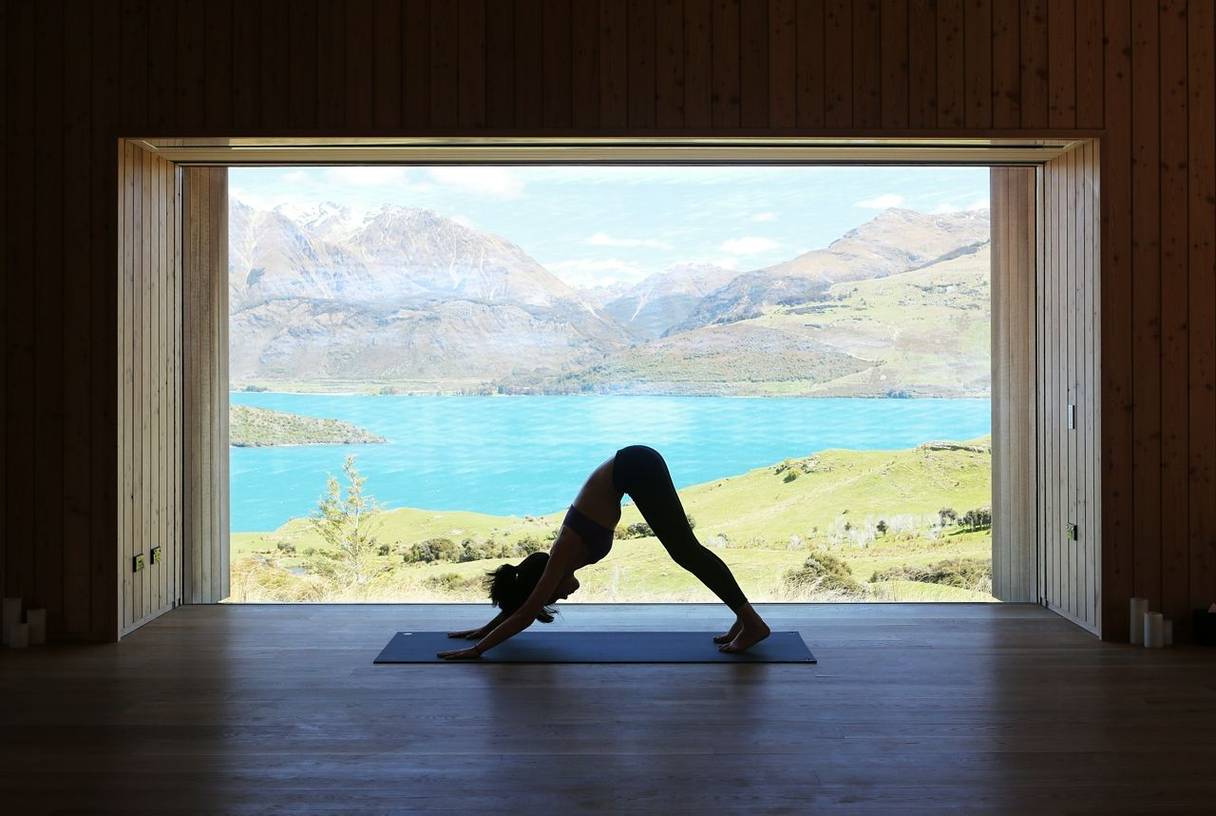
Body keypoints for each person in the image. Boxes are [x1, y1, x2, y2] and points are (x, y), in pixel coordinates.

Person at [437, 444, 771, 659]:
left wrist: (478, 649)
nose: (563, 598)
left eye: (554, 597)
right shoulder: (559, 561)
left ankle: (752, 623)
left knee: (685, 551)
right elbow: (527, 602)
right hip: (634, 466)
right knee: (686, 551)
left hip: (636, 466)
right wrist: (485, 627)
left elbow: (527, 611)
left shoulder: (563, 552)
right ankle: (744, 619)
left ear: (547, 582)